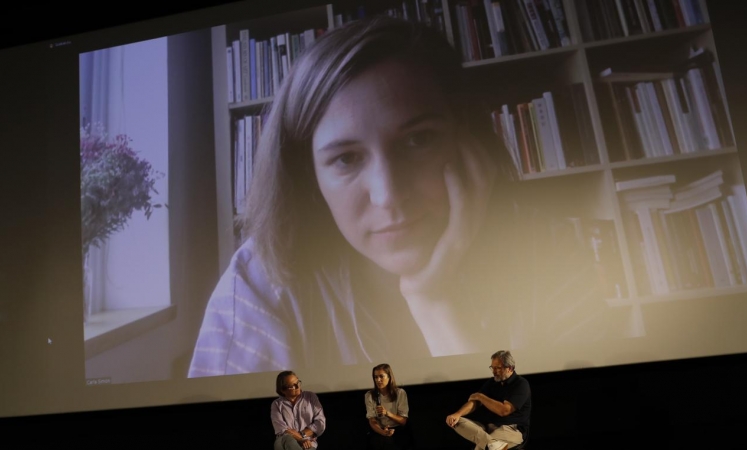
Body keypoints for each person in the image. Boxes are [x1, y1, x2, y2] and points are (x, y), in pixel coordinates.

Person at [188, 14, 606, 377]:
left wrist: (436, 305)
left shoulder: (554, 254)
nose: (388, 196)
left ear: (466, 140)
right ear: (308, 178)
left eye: (418, 141)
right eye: (347, 159)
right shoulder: (260, 286)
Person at [446, 350, 531, 450]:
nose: (494, 371)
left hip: (511, 429)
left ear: (510, 368)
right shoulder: (492, 382)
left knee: (482, 448)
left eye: (498, 368)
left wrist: (480, 396)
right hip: (489, 428)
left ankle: (490, 443)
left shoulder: (521, 384)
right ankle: (491, 442)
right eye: (492, 368)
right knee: (456, 421)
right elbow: (475, 402)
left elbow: (504, 410)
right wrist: (458, 414)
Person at [271, 371, 326, 449]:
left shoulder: (310, 397)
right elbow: (282, 430)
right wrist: (300, 439)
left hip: (308, 443)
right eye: (292, 386)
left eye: (298, 382)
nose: (297, 386)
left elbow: (320, 423)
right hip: (285, 443)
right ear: (283, 390)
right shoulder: (277, 404)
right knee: (287, 439)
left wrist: (302, 435)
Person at [365, 363, 411, 450]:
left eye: (381, 376)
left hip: (397, 430)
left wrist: (387, 413)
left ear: (389, 377)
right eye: (376, 377)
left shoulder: (400, 393)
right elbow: (372, 420)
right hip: (379, 430)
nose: (378, 380)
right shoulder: (369, 395)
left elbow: (403, 421)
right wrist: (383, 432)